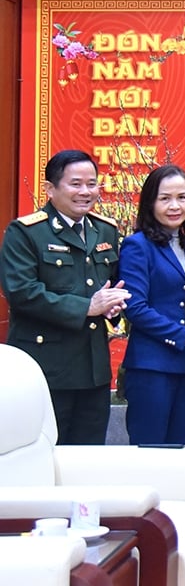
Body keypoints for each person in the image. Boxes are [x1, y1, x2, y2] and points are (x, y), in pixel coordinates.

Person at [0, 149, 131, 445]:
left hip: (94, 370)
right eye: (75, 184)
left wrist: (113, 306)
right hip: (47, 369)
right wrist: (88, 306)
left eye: (92, 184)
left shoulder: (105, 230)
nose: (85, 192)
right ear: (50, 189)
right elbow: (22, 293)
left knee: (88, 459)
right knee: (44, 456)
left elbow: (110, 285)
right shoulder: (26, 232)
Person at [119, 164, 185, 445]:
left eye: (182, 197)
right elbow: (135, 308)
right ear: (150, 202)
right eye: (165, 198)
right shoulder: (137, 245)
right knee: (151, 452)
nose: (175, 206)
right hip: (151, 366)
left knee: (180, 452)